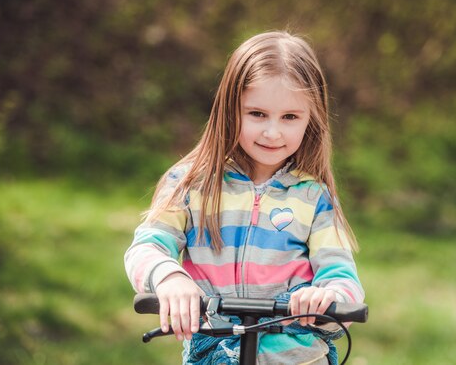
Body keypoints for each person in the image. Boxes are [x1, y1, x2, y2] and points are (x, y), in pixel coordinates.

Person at [124, 31, 364, 365]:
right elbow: (146, 247)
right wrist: (170, 278)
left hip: (298, 357)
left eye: (290, 117)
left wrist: (326, 300)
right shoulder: (193, 183)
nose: (273, 132)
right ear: (230, 110)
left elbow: (343, 280)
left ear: (311, 120)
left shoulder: (313, 197)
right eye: (257, 114)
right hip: (215, 351)